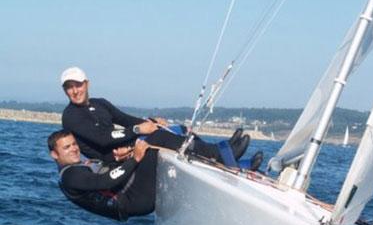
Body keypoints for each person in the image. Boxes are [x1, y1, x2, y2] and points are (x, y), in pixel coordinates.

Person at [59, 67, 262, 169]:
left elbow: (126, 119)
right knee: (162, 139)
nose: (75, 91)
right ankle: (224, 154)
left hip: (128, 142)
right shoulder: (70, 116)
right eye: (69, 87)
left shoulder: (100, 103)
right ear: (65, 90)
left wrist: (152, 122)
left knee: (177, 130)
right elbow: (102, 138)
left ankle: (228, 155)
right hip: (113, 158)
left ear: (87, 83)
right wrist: (139, 131)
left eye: (78, 85)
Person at [48, 129, 158, 221]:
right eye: (67, 147)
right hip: (133, 201)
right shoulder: (70, 176)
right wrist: (135, 159)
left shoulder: (75, 167)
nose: (74, 149)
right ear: (54, 154)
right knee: (156, 141)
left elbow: (105, 172)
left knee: (150, 140)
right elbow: (106, 181)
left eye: (74, 144)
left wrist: (120, 159)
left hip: (129, 196)